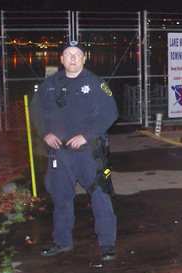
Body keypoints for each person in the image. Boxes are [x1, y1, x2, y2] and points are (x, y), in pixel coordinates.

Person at [31, 41, 119, 261]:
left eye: (76, 55)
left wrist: (86, 136)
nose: (72, 58)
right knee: (60, 198)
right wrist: (45, 133)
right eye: (68, 55)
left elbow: (110, 114)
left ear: (83, 59)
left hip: (87, 154)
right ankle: (61, 242)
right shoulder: (49, 84)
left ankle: (107, 243)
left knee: (100, 197)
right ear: (61, 59)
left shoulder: (95, 84)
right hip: (59, 154)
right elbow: (35, 111)